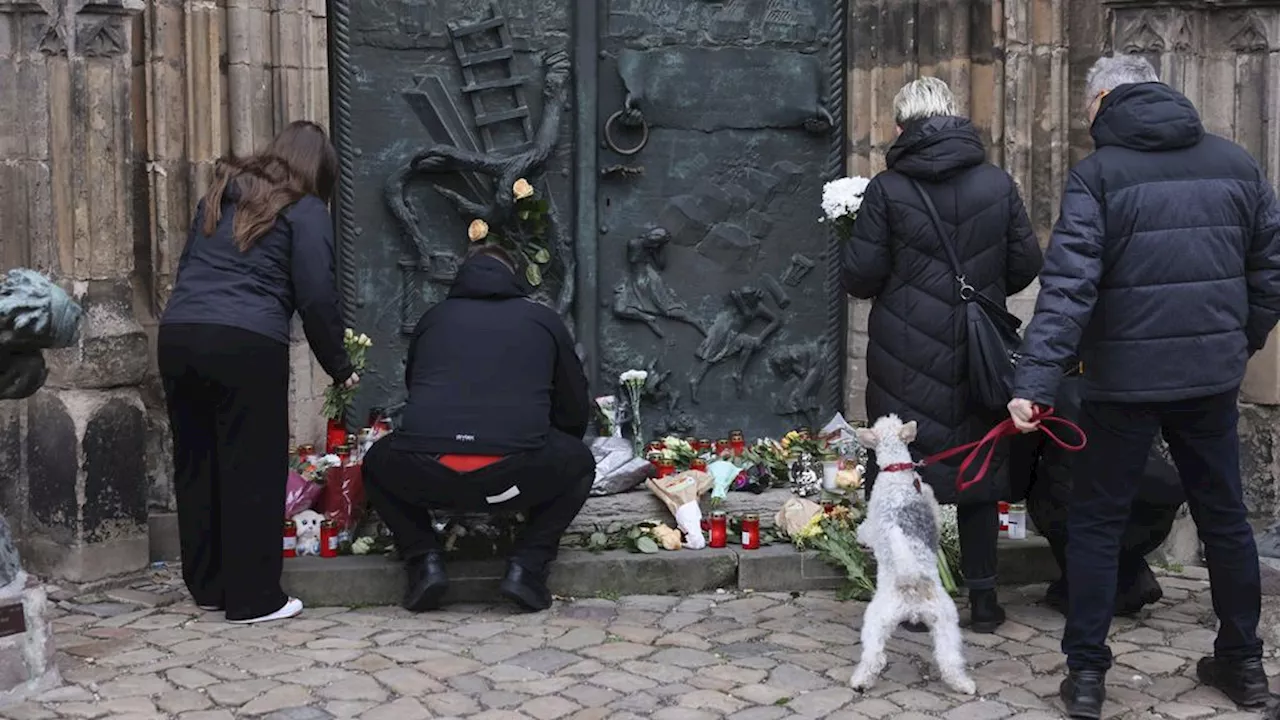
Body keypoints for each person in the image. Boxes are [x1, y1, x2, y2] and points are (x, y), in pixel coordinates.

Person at [1008, 55, 1280, 719]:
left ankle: (1090, 679)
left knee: (1098, 524)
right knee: (1225, 521)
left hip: (1122, 384)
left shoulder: (1099, 174)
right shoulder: (1236, 162)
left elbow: (1068, 288)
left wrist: (1035, 381)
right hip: (1209, 378)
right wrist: (1236, 341)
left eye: (1086, 106)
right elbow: (1268, 271)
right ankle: (1244, 666)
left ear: (1102, 101)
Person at [841, 77, 1043, 633]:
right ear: (953, 117)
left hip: (906, 355)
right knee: (979, 465)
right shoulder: (997, 184)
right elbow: (1026, 263)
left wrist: (850, 234)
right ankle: (983, 601)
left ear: (903, 126)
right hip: (979, 352)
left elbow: (860, 277)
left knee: (909, 472)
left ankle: (913, 600)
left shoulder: (888, 189)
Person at [159, 121, 356, 624]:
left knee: (196, 463)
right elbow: (315, 293)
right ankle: (252, 598)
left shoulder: (218, 196)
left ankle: (209, 586)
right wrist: (339, 365)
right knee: (252, 465)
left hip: (180, 333)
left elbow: (187, 269)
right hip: (246, 340)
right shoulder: (305, 209)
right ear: (320, 172)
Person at [363, 244, 593, 613]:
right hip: (514, 475)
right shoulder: (543, 320)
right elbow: (573, 406)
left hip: (429, 475)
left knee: (376, 462)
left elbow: (414, 387)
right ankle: (527, 567)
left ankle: (424, 562)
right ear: (515, 276)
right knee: (579, 462)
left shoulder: (433, 318)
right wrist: (539, 441)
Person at [1019, 363, 1184, 617]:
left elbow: (1026, 460)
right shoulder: (1134, 382)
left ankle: (1083, 595)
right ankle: (1132, 578)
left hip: (1087, 509)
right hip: (1153, 503)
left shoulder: (1053, 393)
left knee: (1052, 501)